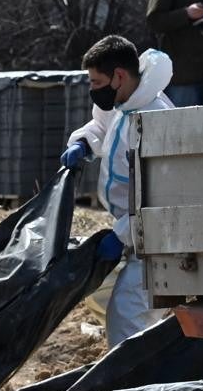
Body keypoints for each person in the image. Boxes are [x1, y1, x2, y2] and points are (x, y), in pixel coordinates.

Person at [60, 35, 173, 347]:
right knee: (106, 297)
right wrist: (81, 142)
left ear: (119, 76)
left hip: (153, 241)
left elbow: (158, 198)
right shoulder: (123, 102)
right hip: (131, 231)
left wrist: (122, 234)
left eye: (97, 81)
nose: (93, 89)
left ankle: (131, 389)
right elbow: (100, 125)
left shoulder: (155, 117)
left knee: (127, 319)